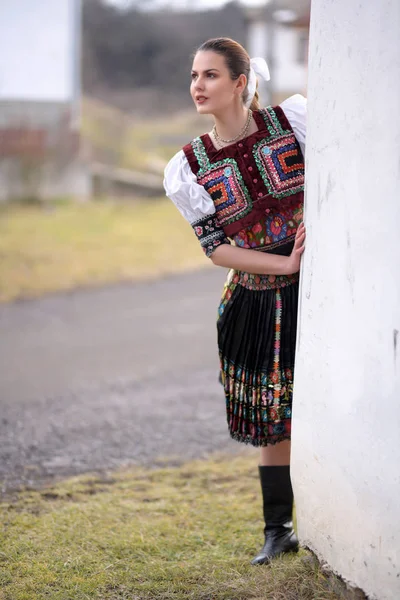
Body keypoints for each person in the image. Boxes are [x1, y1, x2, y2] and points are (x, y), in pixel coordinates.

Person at [163, 37, 306, 566]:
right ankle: (278, 529)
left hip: (318, 292)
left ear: (240, 82)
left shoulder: (292, 124)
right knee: (275, 414)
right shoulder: (188, 166)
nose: (198, 86)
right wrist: (285, 264)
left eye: (210, 76)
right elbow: (217, 249)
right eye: (194, 76)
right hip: (254, 301)